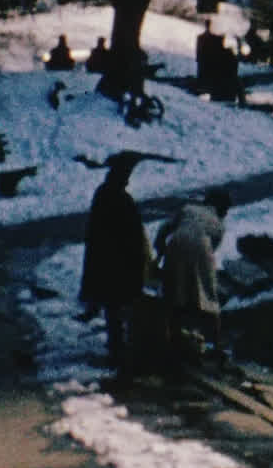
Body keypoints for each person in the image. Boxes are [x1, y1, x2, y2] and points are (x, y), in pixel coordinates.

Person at [79, 154, 154, 368]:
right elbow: (132, 235)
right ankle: (120, 349)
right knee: (120, 304)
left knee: (113, 306)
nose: (128, 180)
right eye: (126, 176)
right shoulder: (122, 200)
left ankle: (117, 345)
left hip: (104, 260)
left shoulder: (102, 194)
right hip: (119, 262)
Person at [158, 189, 232, 362]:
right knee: (207, 295)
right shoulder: (219, 225)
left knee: (175, 293)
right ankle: (216, 342)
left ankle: (173, 337)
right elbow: (210, 251)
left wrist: (160, 248)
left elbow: (164, 228)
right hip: (201, 248)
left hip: (175, 244)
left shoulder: (188, 209)